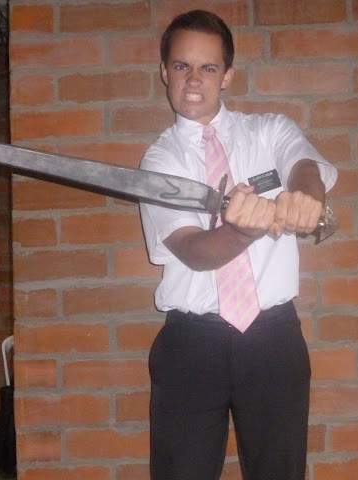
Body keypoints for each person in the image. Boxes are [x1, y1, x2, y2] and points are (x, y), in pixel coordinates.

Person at [139, 10, 338, 480]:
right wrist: (241, 233)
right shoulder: (159, 161)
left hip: (273, 339)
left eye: (208, 67)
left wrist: (306, 198)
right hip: (192, 346)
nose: (194, 79)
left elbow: (303, 165)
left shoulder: (268, 130)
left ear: (227, 75)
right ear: (164, 71)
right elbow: (193, 250)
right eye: (182, 66)